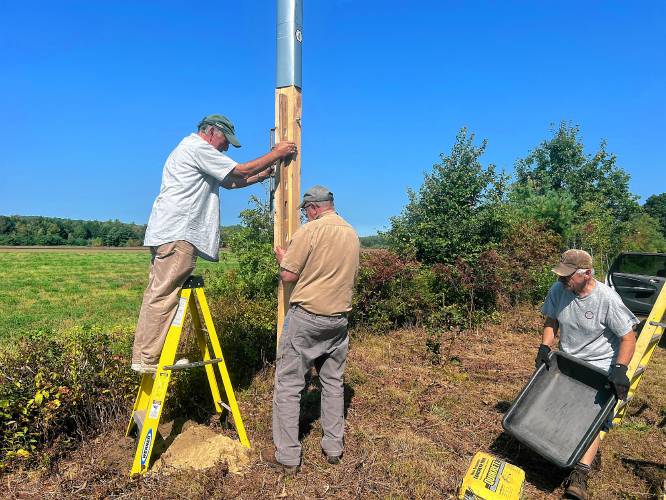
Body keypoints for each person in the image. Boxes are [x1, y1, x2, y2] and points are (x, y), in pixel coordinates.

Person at [131, 114, 297, 373]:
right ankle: (149, 359)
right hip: (179, 233)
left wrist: (264, 175)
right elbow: (239, 170)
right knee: (163, 297)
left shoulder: (191, 150)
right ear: (210, 132)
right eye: (224, 141)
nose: (226, 147)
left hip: (169, 232)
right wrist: (276, 153)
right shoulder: (197, 148)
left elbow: (231, 182)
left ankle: (147, 356)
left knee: (158, 293)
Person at [264, 185, 360, 475]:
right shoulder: (352, 234)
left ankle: (288, 456)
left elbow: (289, 275)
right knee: (332, 384)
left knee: (289, 385)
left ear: (314, 208)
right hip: (339, 320)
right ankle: (333, 447)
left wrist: (284, 260)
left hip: (307, 317)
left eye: (306, 212)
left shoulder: (310, 231)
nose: (305, 216)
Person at [536, 249, 637, 500]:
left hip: (600, 366)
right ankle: (559, 452)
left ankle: (580, 475)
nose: (562, 280)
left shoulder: (607, 299)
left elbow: (628, 337)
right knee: (560, 409)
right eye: (560, 275)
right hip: (569, 361)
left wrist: (620, 370)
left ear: (587, 274)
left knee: (591, 419)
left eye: (567, 276)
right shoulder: (559, 290)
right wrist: (545, 346)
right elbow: (552, 320)